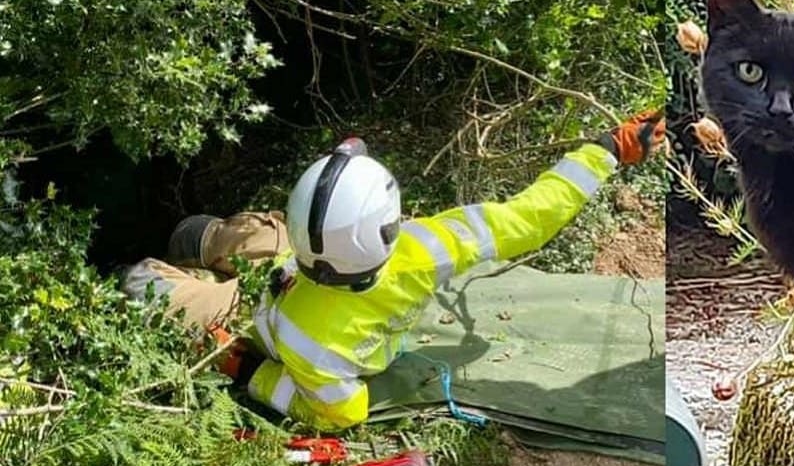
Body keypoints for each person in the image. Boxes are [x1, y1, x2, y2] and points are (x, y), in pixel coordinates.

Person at [120, 109, 666, 431]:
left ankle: (194, 251)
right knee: (251, 238)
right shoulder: (426, 247)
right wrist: (608, 150)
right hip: (289, 268)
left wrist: (248, 370)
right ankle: (205, 243)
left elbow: (339, 416)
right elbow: (531, 217)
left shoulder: (309, 343)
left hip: (254, 315)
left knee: (142, 281)